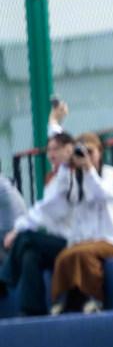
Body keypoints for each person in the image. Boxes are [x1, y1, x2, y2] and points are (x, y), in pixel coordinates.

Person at [44, 133, 113, 315]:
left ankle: (95, 298)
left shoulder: (111, 174)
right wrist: (66, 167)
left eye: (91, 152)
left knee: (84, 254)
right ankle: (63, 299)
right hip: (83, 241)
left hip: (108, 240)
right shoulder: (75, 177)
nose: (87, 156)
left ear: (100, 152)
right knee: (64, 256)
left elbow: (102, 194)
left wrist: (88, 170)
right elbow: (63, 199)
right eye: (82, 152)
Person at [0, 133, 75, 316]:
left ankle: (4, 279)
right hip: (55, 240)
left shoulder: (70, 177)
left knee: (25, 238)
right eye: (49, 150)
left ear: (68, 150)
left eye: (55, 149)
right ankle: (32, 309)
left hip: (73, 241)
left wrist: (17, 230)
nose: (50, 154)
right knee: (29, 254)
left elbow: (45, 210)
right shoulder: (55, 178)